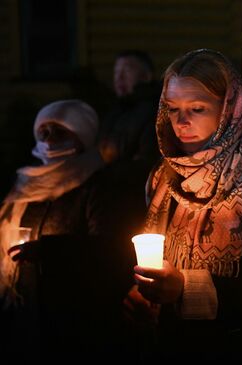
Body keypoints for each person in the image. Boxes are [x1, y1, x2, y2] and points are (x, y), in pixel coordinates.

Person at [125, 49, 242, 362]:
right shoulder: (163, 177)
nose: (181, 122)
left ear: (229, 108)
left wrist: (185, 289)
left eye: (196, 108)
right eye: (172, 108)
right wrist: (145, 295)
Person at [0, 100, 138, 360]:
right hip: (26, 312)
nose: (50, 139)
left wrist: (49, 250)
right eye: (44, 132)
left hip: (77, 320)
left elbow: (111, 250)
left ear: (81, 137)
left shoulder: (98, 186)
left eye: (60, 131)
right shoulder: (24, 184)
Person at [98, 50, 161, 168]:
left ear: (146, 76)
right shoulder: (114, 110)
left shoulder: (153, 111)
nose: (119, 77)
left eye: (127, 70)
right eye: (116, 72)